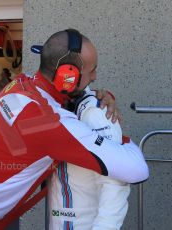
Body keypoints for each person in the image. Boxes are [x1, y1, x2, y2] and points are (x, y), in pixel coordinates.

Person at [0, 29, 149, 230]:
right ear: (67, 75)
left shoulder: (21, 85)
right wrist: (117, 137)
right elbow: (136, 169)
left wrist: (101, 95)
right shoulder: (47, 123)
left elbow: (69, 98)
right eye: (92, 71)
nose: (94, 77)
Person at [48, 88, 130, 230]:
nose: (94, 77)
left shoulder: (96, 111)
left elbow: (114, 182)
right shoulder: (43, 102)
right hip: (59, 218)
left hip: (83, 223)